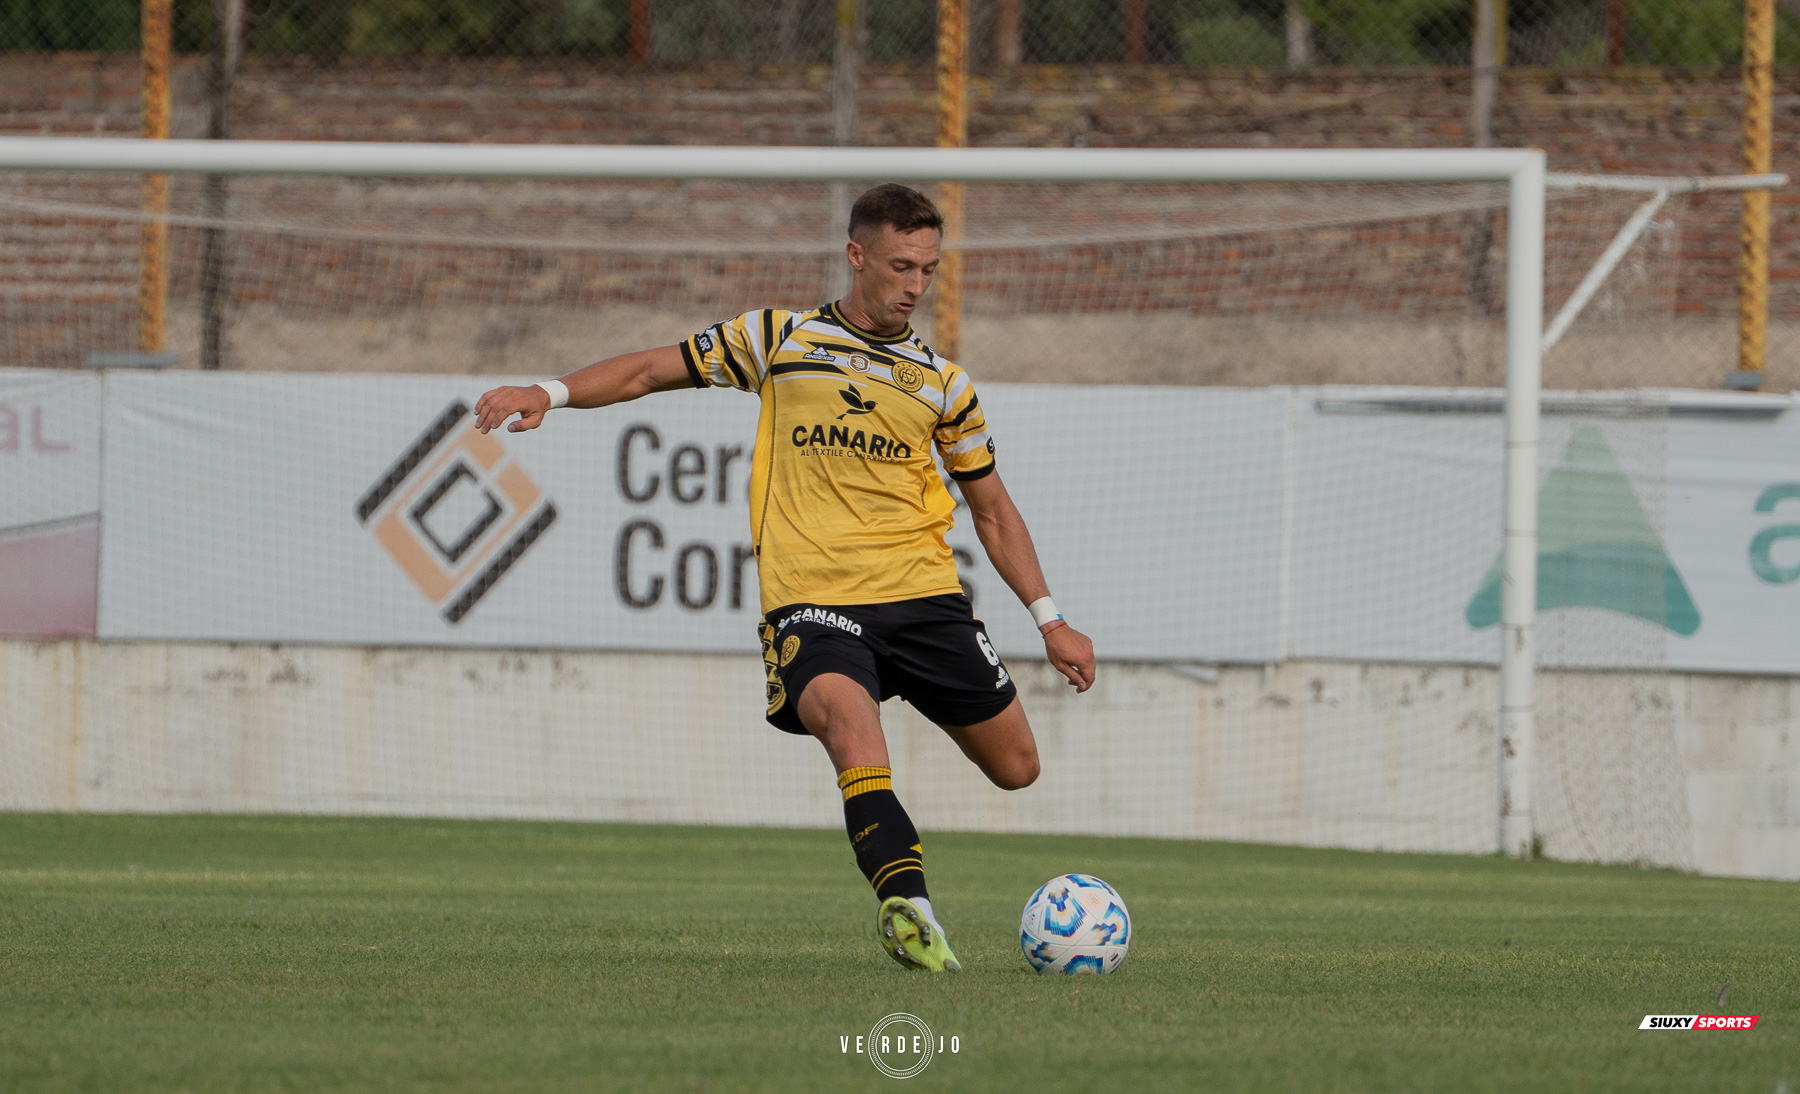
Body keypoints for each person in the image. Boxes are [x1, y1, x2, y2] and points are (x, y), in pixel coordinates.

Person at [475, 183, 1095, 972]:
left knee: (1017, 768)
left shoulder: (945, 384)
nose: (915, 285)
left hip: (922, 594)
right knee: (850, 728)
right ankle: (912, 912)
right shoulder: (780, 337)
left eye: (929, 270)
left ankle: (913, 894)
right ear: (856, 254)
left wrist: (1049, 618)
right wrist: (549, 392)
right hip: (815, 602)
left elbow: (994, 511)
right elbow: (643, 373)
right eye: (902, 265)